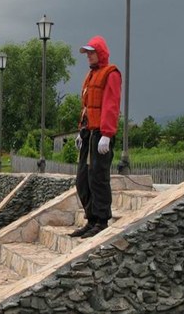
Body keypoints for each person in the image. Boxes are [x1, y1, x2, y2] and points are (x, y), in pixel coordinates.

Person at [70, 35, 121, 239]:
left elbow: (111, 105)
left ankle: (102, 220)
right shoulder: (91, 76)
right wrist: (80, 130)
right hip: (89, 132)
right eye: (87, 53)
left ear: (100, 53)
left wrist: (107, 134)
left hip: (101, 133)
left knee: (98, 177)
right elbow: (86, 106)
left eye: (91, 52)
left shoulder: (111, 73)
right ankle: (91, 219)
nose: (89, 56)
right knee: (83, 179)